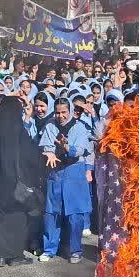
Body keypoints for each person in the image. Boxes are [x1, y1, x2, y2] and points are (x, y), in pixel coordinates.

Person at [0, 95, 41, 267]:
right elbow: (29, 155)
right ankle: (15, 255)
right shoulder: (18, 129)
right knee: (17, 219)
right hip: (15, 182)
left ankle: (0, 256)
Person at [39, 98, 94, 264]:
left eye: (64, 112)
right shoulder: (50, 125)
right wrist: (49, 153)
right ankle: (49, 249)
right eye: (57, 112)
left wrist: (66, 147)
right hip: (55, 171)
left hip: (74, 171)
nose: (60, 116)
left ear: (70, 111)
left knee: (75, 214)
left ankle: (75, 250)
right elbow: (46, 146)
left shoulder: (80, 127)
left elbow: (81, 150)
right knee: (52, 213)